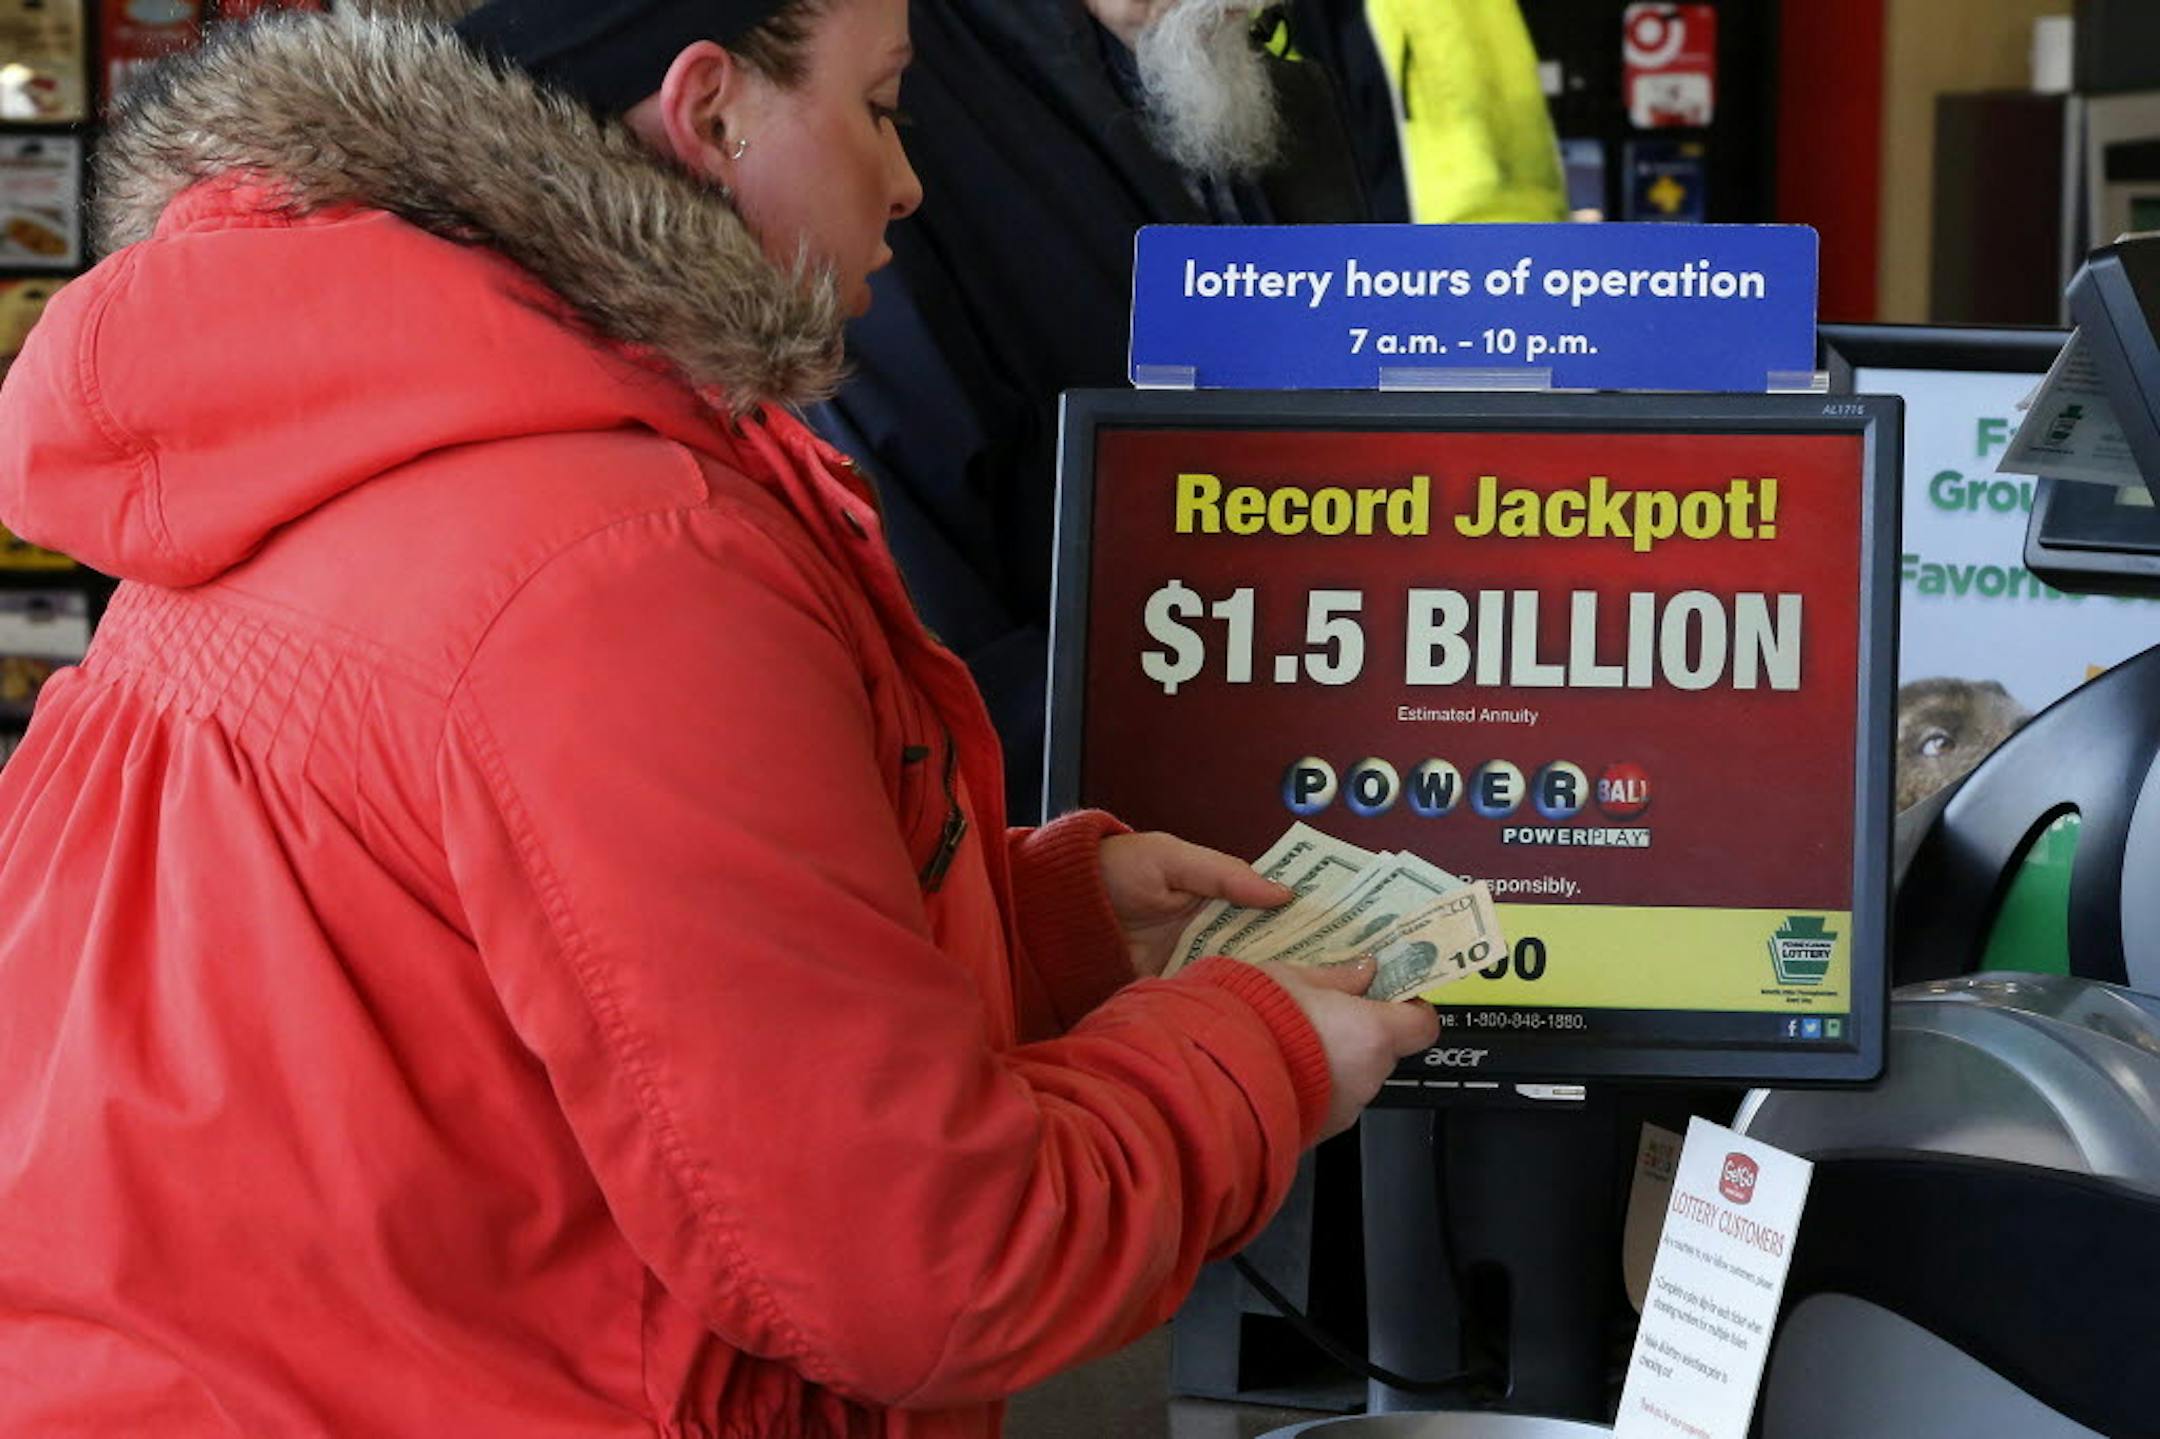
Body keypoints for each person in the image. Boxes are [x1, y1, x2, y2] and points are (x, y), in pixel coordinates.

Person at [0, 1, 1440, 1435]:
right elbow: (927, 1271)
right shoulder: (620, 557)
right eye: (880, 108)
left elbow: (536, 965)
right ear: (709, 114)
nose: (907, 181)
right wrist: (1254, 1056)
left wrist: (1041, 928)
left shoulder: (348, 430)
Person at [810, 0, 1386, 821]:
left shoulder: (1264, 76)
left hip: (1312, 771)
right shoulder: (898, 102)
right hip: (1091, 822)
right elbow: (929, 610)